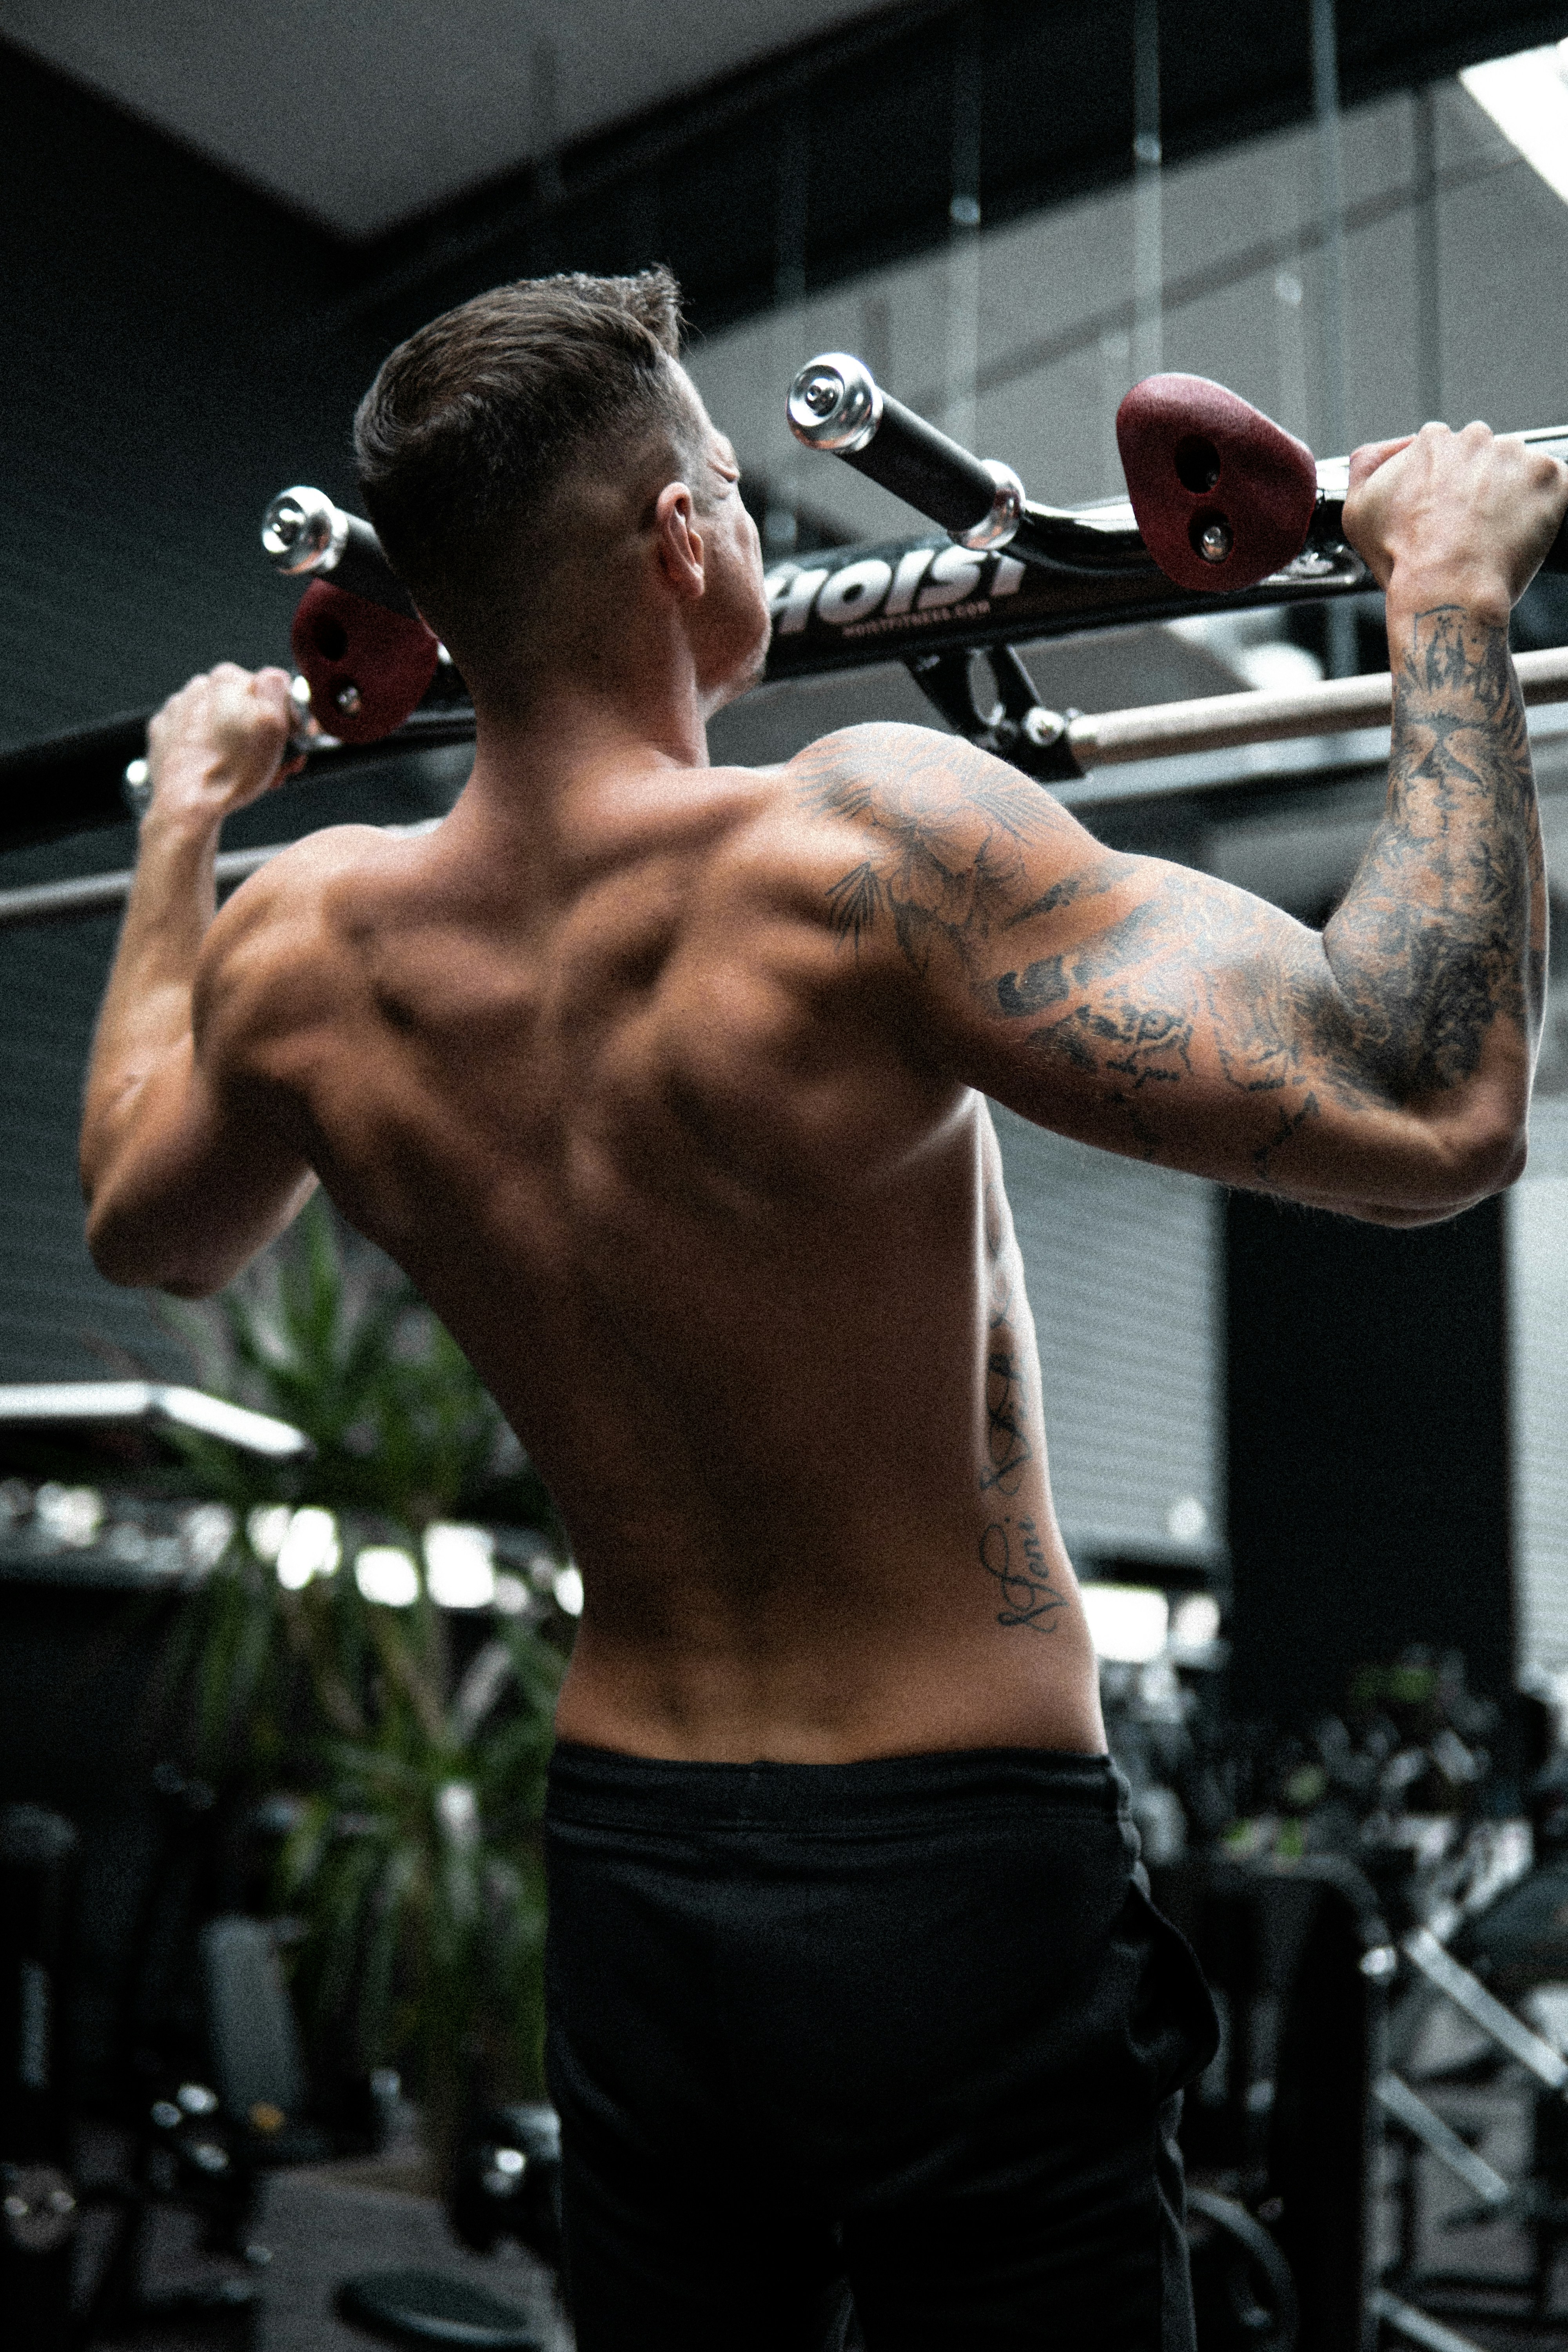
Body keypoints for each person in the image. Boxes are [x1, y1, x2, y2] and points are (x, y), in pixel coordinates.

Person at [79, 269, 1564, 2350]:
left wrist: (183, 819)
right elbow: (1434, 1104)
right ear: (685, 532)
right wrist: (1447, 594)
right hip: (958, 1873)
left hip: (630, 1878)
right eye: (736, 486)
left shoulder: (307, 946)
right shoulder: (854, 843)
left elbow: (152, 1221)